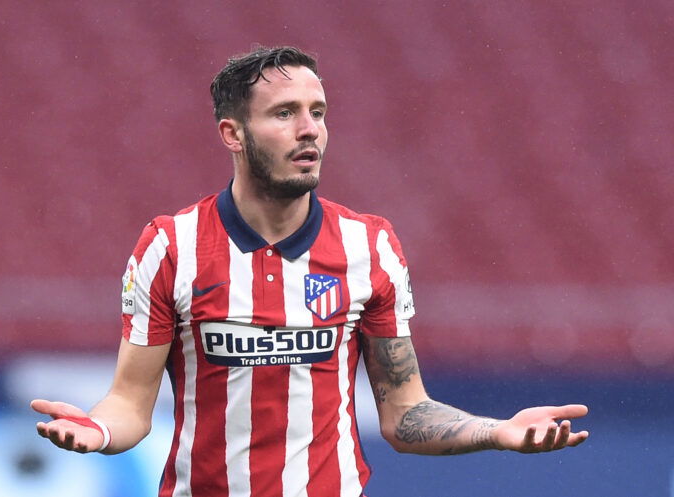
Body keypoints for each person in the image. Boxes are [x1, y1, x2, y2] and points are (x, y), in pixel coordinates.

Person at [32, 46, 589, 496]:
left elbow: (404, 412)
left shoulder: (368, 245)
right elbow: (131, 405)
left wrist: (498, 431)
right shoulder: (171, 246)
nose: (310, 130)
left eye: (317, 112)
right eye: (285, 113)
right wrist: (97, 430)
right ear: (233, 134)